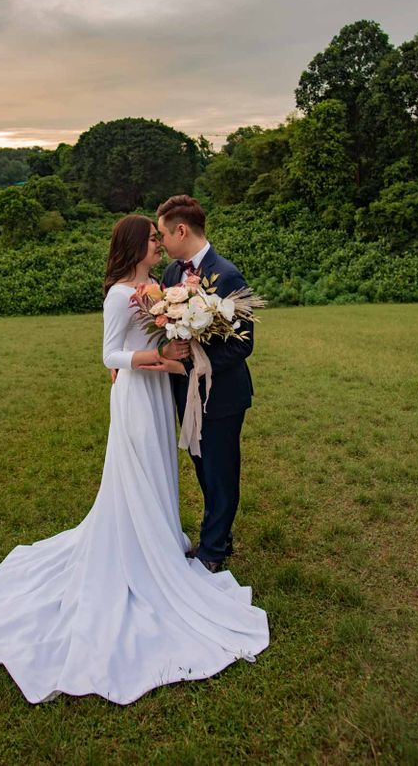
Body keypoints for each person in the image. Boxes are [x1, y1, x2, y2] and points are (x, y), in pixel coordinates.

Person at [0, 214, 268, 705]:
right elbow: (110, 354)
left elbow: (167, 339)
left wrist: (171, 348)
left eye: (161, 235)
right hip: (135, 394)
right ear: (135, 245)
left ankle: (161, 540)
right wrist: (145, 359)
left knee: (159, 472)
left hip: (158, 396)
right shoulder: (118, 294)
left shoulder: (164, 284)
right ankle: (136, 549)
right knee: (135, 473)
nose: (159, 243)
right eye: (152, 238)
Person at [157, 195, 254, 572]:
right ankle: (220, 535)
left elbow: (244, 343)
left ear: (181, 230)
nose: (161, 241)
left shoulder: (226, 274)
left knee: (220, 470)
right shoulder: (170, 277)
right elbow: (163, 328)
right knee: (201, 466)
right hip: (186, 393)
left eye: (163, 233)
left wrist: (199, 365)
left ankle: (213, 550)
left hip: (222, 395)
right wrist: (172, 348)